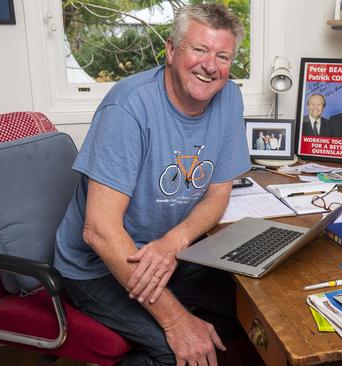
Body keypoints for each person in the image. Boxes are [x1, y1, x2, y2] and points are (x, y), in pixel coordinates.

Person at [53, 4, 252, 365]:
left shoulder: (230, 98)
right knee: (176, 349)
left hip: (166, 253)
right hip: (98, 265)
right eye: (199, 49)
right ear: (172, 50)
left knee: (246, 306)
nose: (211, 65)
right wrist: (176, 320)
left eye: (222, 56)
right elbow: (99, 232)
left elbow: (218, 192)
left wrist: (172, 243)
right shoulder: (128, 107)